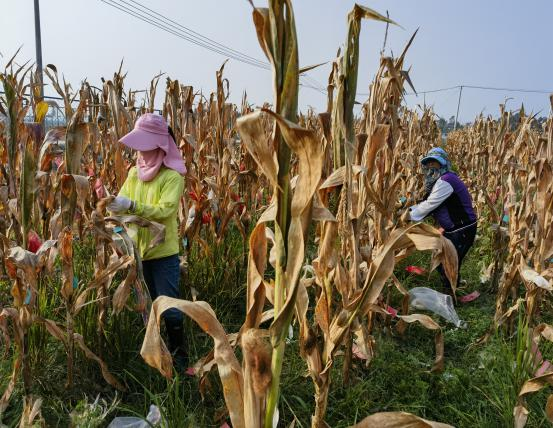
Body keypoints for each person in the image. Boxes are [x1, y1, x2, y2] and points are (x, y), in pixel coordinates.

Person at [108, 113, 188, 369]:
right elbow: (122, 205)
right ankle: (155, 358)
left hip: (163, 254)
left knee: (170, 307)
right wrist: (110, 204)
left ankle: (180, 358)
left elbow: (165, 211)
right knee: (148, 308)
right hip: (138, 255)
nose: (139, 152)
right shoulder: (134, 173)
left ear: (160, 145)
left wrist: (131, 205)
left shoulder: (172, 177)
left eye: (145, 146)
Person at [407, 147, 477, 294]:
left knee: (448, 263)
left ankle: (450, 296)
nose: (432, 166)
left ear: (444, 164)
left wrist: (406, 215)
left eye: (436, 163)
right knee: (442, 260)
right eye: (429, 163)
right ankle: (451, 288)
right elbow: (427, 203)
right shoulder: (440, 181)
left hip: (462, 229)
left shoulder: (446, 181)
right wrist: (408, 208)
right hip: (453, 228)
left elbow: (430, 205)